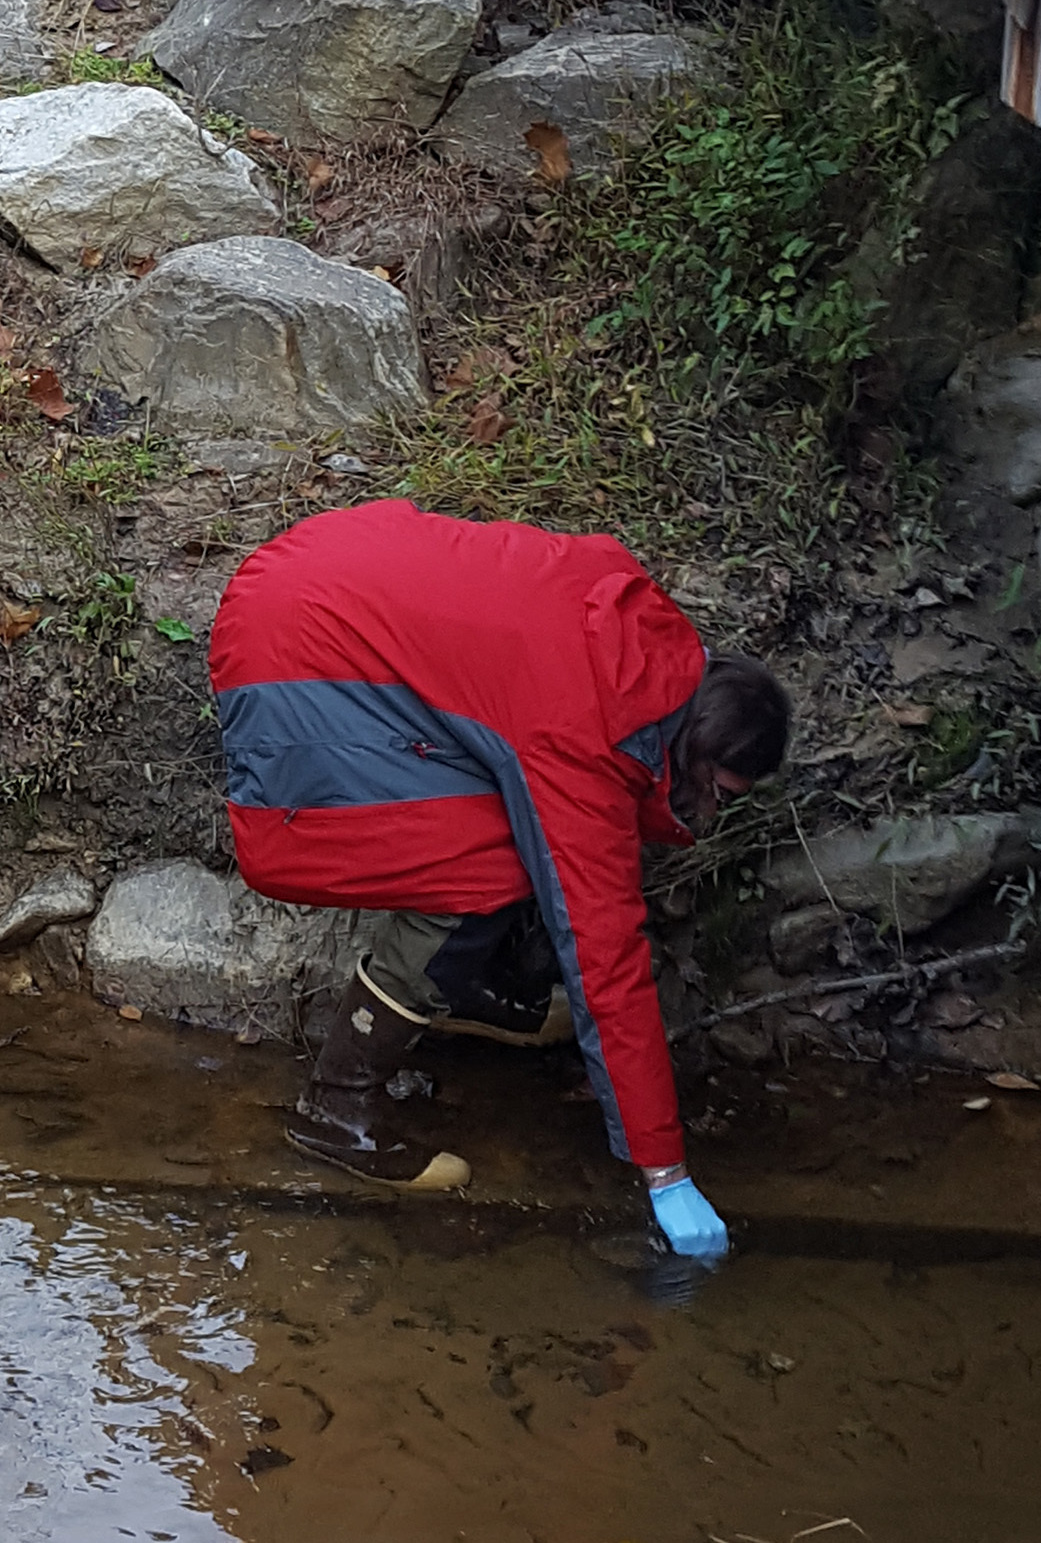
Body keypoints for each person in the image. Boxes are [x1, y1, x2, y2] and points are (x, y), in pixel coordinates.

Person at [209, 502, 792, 1261]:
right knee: (489, 858)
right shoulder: (588, 725)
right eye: (720, 792)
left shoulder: (639, 642)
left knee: (509, 823)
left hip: (315, 580)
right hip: (299, 654)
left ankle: (462, 988)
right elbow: (605, 951)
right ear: (701, 746)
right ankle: (338, 1105)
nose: (710, 814)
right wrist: (665, 1169)